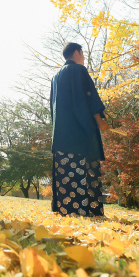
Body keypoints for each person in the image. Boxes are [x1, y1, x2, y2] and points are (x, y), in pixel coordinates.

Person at [49, 42, 109, 217]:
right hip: (80, 133)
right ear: (76, 53)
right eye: (82, 54)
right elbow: (89, 97)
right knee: (85, 170)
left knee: (65, 171)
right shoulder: (79, 70)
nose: (83, 58)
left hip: (61, 135)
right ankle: (87, 209)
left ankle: (66, 208)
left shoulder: (56, 76)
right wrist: (100, 121)